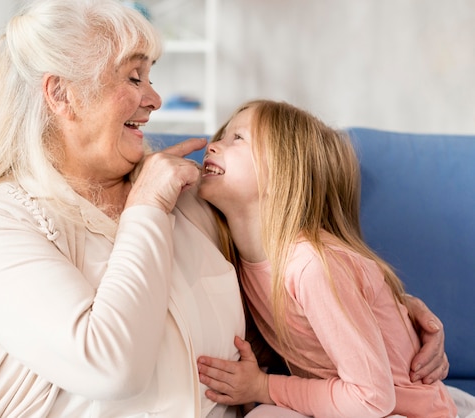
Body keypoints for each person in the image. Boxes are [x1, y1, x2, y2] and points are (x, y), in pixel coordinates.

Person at [0, 1, 448, 416]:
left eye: (150, 76)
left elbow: (291, 270)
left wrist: (398, 319)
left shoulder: (192, 193)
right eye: (134, 78)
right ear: (62, 95)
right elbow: (110, 368)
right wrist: (147, 206)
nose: (154, 98)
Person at [195, 99, 458, 417]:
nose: (212, 145)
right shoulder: (245, 259)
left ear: (280, 173)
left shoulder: (310, 267)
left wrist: (263, 387)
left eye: (236, 137)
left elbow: (373, 399)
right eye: (222, 135)